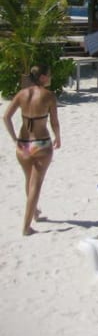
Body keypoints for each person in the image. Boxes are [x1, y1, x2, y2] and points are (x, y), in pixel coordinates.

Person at [3, 64, 61, 236]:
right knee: (36, 184)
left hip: (23, 144)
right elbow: (54, 122)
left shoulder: (22, 94)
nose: (50, 77)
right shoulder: (48, 95)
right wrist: (58, 137)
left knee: (29, 180)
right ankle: (26, 227)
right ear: (42, 77)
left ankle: (34, 212)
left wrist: (14, 138)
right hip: (41, 143)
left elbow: (6, 117)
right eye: (49, 75)